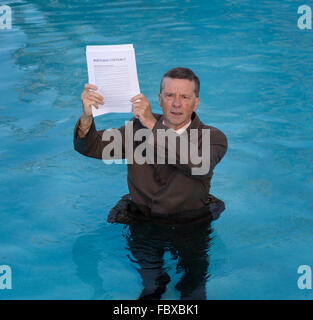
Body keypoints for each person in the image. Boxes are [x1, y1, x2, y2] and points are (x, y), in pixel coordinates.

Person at [73, 67, 228, 299]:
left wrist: (152, 124)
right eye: (169, 96)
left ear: (195, 103)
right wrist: (87, 117)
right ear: (159, 99)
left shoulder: (212, 137)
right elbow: (92, 147)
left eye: (184, 97)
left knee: (194, 288)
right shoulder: (137, 128)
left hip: (191, 224)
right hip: (143, 222)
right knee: (151, 287)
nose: (176, 104)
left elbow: (198, 164)